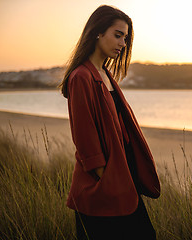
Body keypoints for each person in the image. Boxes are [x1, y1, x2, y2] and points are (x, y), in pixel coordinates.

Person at [58, 5, 160, 240]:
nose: (123, 43)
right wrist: (106, 176)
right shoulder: (81, 76)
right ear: (97, 32)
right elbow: (85, 138)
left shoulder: (105, 74)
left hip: (123, 176)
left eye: (125, 37)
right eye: (117, 35)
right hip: (103, 184)